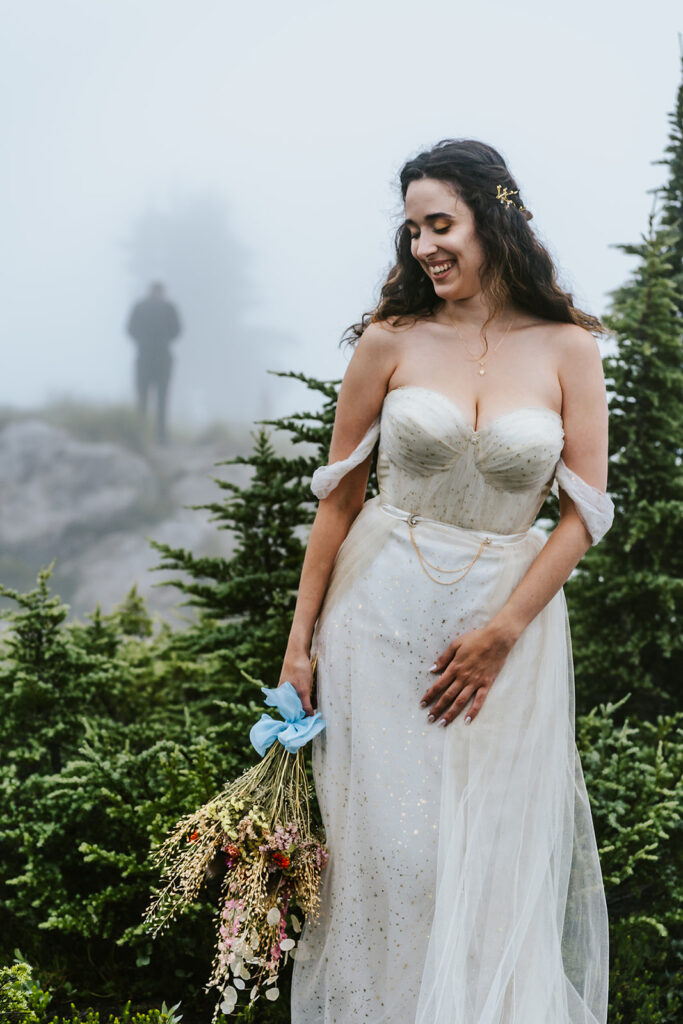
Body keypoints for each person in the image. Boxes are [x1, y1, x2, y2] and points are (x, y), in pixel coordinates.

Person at [285, 139, 614, 1023]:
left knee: (488, 863)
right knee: (394, 855)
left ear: (492, 219)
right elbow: (339, 501)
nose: (425, 246)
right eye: (412, 230)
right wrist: (298, 649)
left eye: (441, 224)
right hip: (378, 617)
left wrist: (504, 631)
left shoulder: (567, 350)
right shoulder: (388, 343)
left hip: (506, 634)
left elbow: (584, 512)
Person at [126, 281, 182, 444]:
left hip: (146, 356)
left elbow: (130, 329)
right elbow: (177, 330)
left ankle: (146, 435)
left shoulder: (141, 307)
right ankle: (158, 437)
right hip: (160, 357)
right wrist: (163, 340)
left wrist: (143, 341)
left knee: (147, 398)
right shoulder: (168, 308)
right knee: (158, 399)